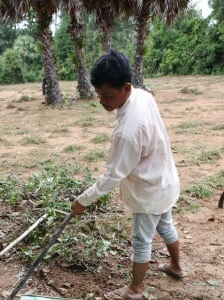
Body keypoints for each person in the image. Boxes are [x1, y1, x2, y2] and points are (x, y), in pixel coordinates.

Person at [71, 50, 185, 300]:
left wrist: (82, 201)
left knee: (141, 240)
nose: (102, 101)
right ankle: (176, 267)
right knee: (165, 225)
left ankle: (134, 290)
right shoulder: (142, 95)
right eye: (99, 94)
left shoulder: (128, 132)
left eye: (108, 96)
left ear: (125, 87)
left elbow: (112, 176)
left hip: (149, 191)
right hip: (165, 181)